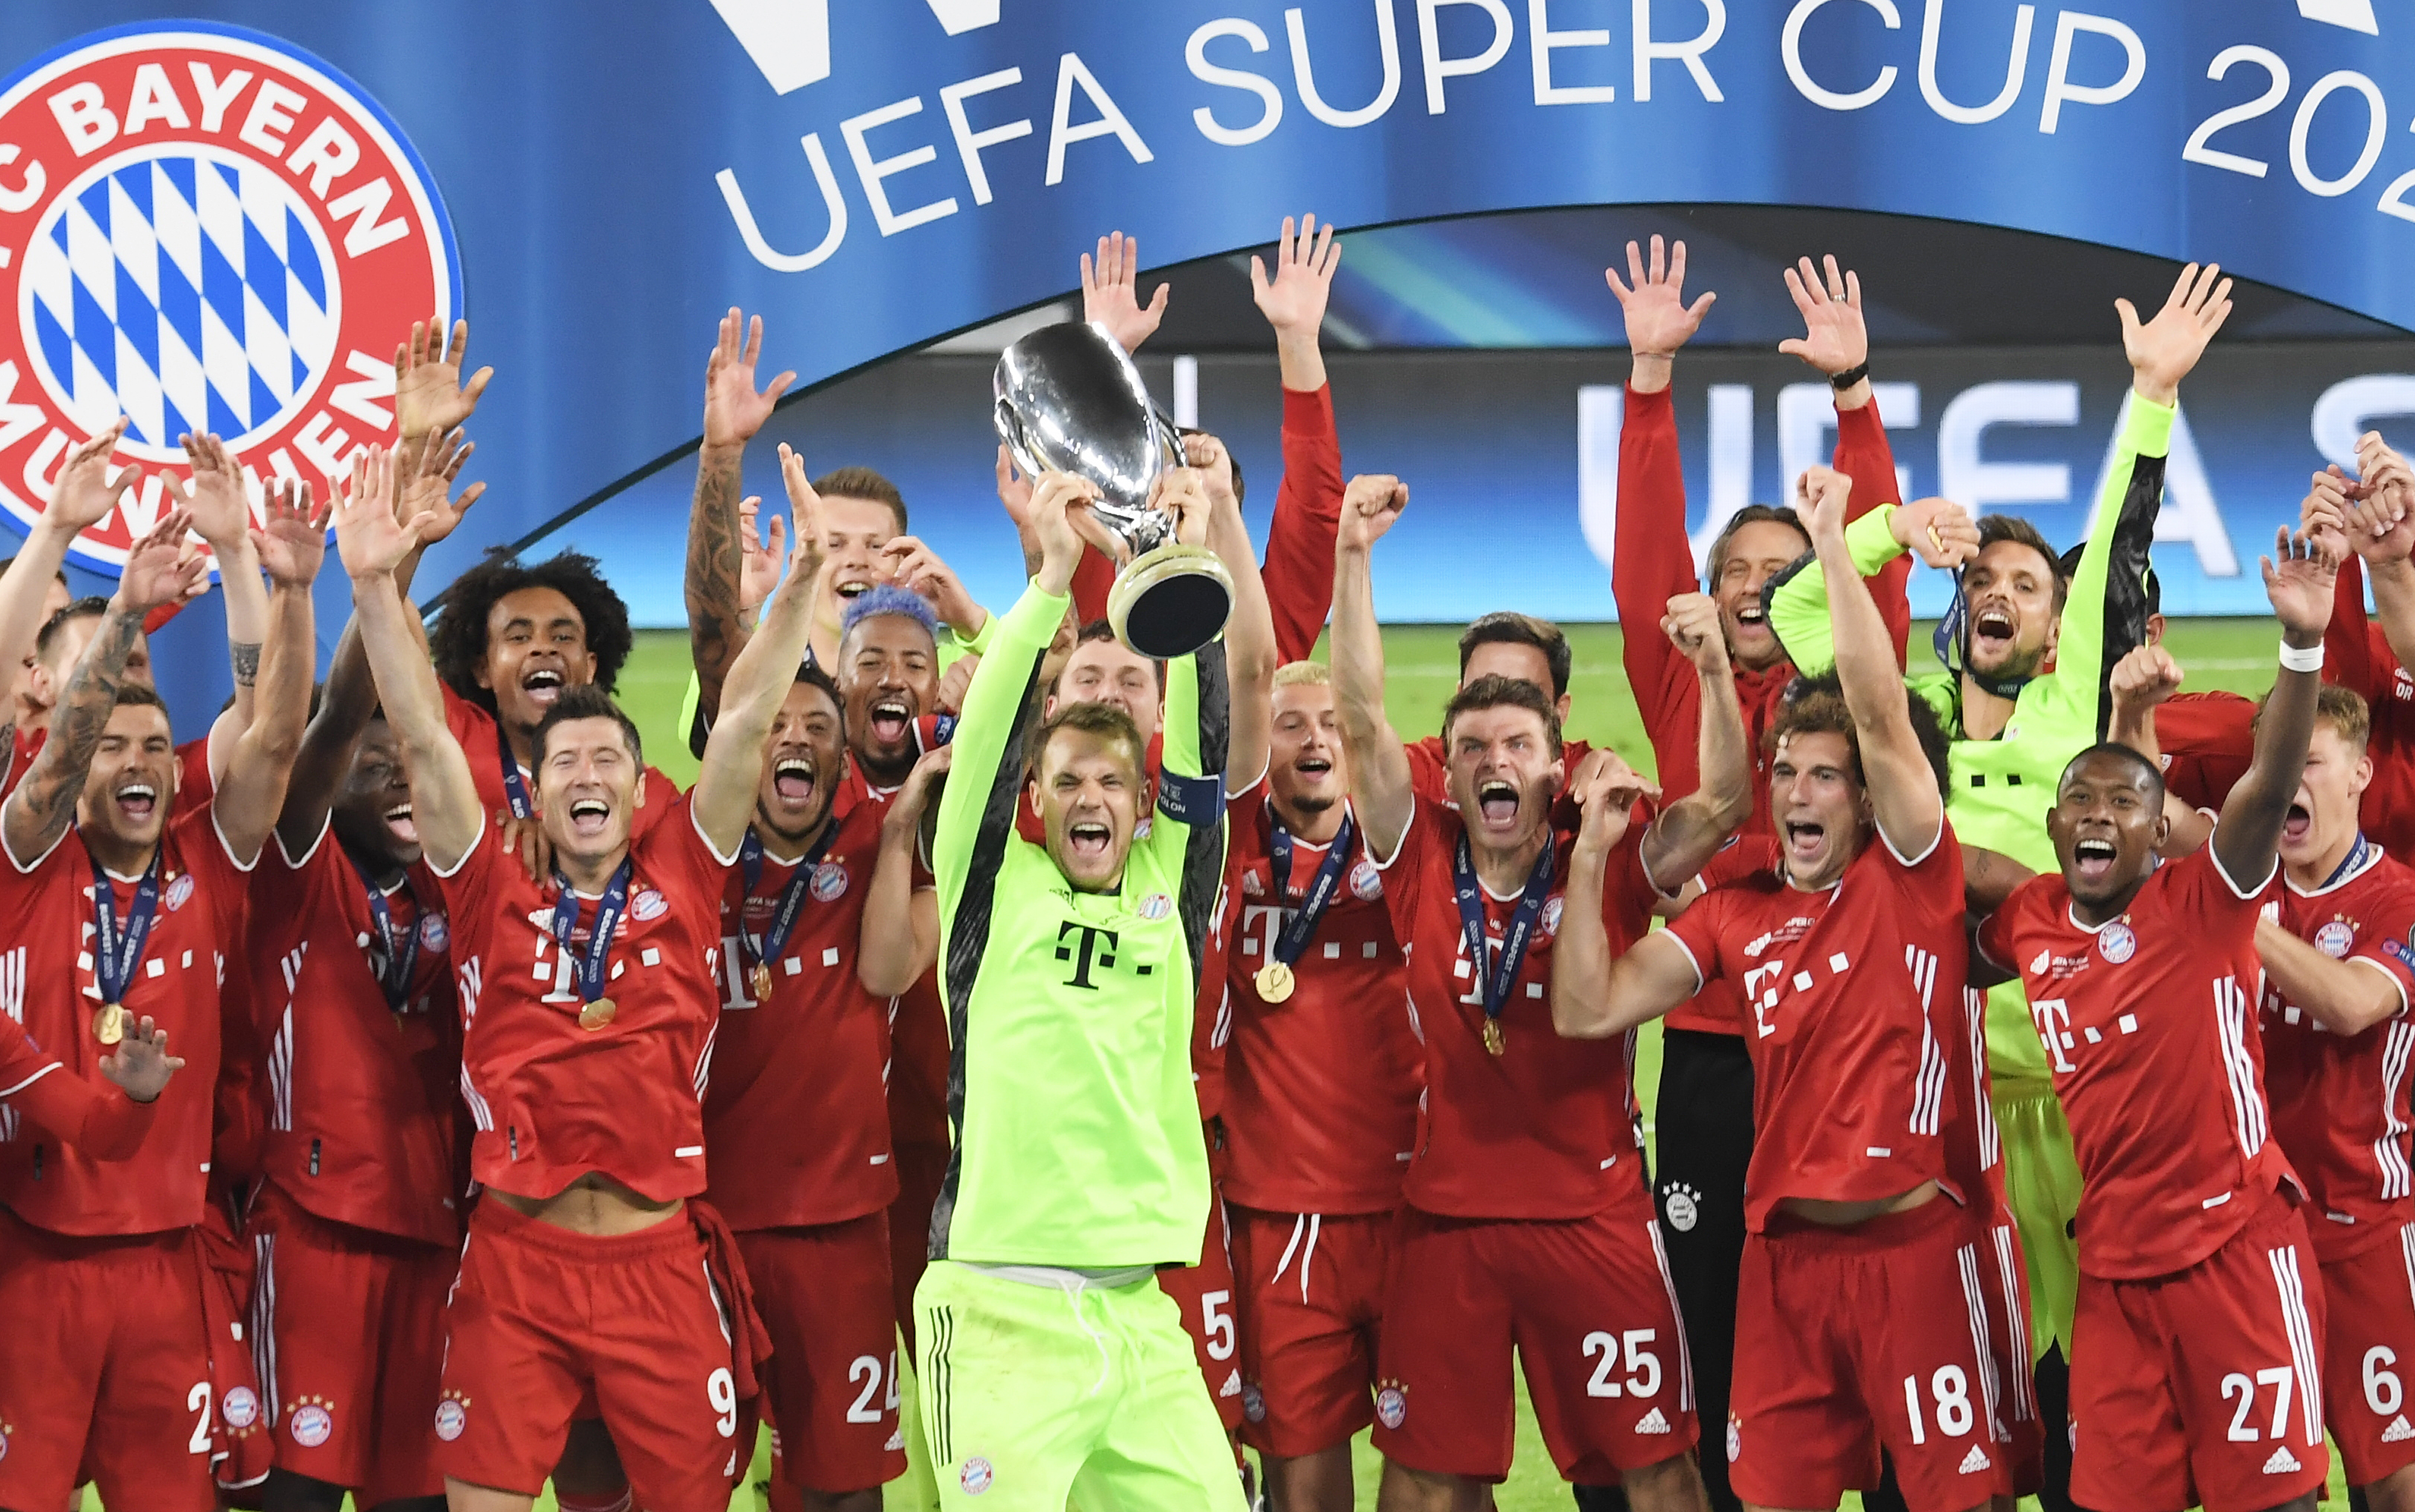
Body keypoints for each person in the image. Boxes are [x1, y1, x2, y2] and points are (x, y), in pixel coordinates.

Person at [1767, 263, 2234, 1497]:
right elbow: (1796, 611)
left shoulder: (2066, 704)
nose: (1996, 595)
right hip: (1936, 1107)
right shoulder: (1902, 721)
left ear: (2055, 623)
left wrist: (2148, 399)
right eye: (1979, 580)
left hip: (2083, 1093)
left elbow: (2122, 533)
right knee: (1947, 1398)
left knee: (2109, 1384)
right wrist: (1885, 525)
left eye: (2025, 587)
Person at [339, 435, 830, 1512]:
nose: (589, 770)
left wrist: (799, 583)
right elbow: (421, 729)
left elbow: (746, 716)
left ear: (639, 780)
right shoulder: (483, 875)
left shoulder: (688, 865)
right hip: (518, 1261)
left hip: (660, 1264)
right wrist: (374, 580)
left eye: (610, 754)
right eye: (567, 760)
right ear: (540, 790)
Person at [1555, 462, 2032, 1511]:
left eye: (1826, 774)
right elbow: (1585, 1008)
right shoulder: (1737, 913)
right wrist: (1593, 857)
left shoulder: (1913, 874)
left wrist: (1838, 539)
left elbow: (1873, 700)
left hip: (1913, 1253)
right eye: (1786, 774)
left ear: (1867, 796)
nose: (1801, 792)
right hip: (1784, 1267)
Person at [1605, 240, 1962, 1512]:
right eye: (1731, 571)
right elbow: (1640, 541)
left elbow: (1866, 567)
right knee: (1716, 1332)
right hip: (1718, 1048)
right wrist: (1648, 376)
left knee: (1888, 1335)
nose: (1754, 586)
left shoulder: (1843, 701)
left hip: (1859, 1038)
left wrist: (1856, 394)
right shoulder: (1675, 673)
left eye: (1779, 569)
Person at [1330, 471, 1743, 1512]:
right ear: (1450, 773)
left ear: (1557, 765)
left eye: (1517, 743)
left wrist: (1717, 674)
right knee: (1425, 1482)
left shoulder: (1604, 848)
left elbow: (1729, 803)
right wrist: (1351, 556)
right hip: (1447, 1221)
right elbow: (1358, 717)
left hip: (1593, 1213)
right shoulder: (1417, 852)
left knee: (1657, 1471)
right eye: (1471, 748)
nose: (1492, 761)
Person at [1972, 517, 2343, 1511]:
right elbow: (1944, 873)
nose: (2099, 812)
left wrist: (2302, 643)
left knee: (2276, 1503)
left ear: (2161, 827)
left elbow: (2267, 787)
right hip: (2116, 1275)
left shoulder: (2208, 900)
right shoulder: (2033, 920)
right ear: (2054, 829)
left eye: (2125, 802)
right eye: (2078, 800)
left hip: (2237, 1254)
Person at [914, 468, 1239, 1511]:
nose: (1090, 796)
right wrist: (1051, 580)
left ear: (1142, 806)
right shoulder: (986, 891)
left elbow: (1205, 751)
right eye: (1067, 782)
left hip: (1143, 1318)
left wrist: (1184, 577)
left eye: (1113, 781)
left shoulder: (1171, 894)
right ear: (1036, 804)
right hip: (999, 1311)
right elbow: (985, 747)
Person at [0, 480, 322, 1512]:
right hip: (32, 1257)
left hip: (166, 1263)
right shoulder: (26, 856)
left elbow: (273, 731)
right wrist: (127, 611)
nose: (137, 762)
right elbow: (53, 759)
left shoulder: (207, 854)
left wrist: (275, 579)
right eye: (109, 746)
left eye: (154, 744)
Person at [240, 443, 480, 1512]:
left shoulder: (460, 887)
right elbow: (333, 718)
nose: (392, 767)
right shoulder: (296, 871)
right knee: (290, 1498)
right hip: (311, 1240)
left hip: (432, 1243)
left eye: (406, 755)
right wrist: (385, 569)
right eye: (368, 760)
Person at [701, 656, 918, 1512]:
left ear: (844, 756)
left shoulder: (883, 836)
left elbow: (890, 968)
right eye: (773, 726)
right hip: (699, 1227)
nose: (794, 738)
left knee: (841, 1486)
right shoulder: (687, 845)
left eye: (818, 727)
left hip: (841, 1223)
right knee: (682, 1484)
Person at [1221, 660, 1420, 1512]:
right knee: (1304, 1487)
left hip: (1416, 1206)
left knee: (1441, 1478)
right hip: (1281, 1214)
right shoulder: (1225, 852)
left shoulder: (1409, 847)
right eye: (1291, 722)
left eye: (1332, 723)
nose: (1313, 739)